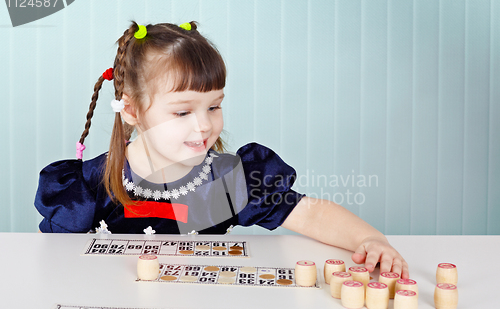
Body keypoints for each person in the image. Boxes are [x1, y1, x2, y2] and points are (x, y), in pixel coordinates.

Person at [35, 21, 409, 279]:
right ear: (132, 110)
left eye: (213, 106)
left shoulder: (223, 184)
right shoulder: (86, 189)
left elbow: (307, 214)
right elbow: (54, 265)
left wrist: (369, 239)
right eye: (182, 111)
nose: (204, 125)